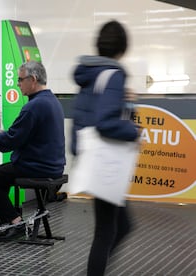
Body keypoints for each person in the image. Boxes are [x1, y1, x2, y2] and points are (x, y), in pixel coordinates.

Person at [0, 61, 66, 242]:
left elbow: (10, 141)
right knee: (2, 173)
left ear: (33, 80)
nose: (18, 84)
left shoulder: (34, 107)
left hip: (38, 167)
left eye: (20, 79)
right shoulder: (51, 101)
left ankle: (16, 223)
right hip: (52, 165)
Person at [71, 20, 140, 276]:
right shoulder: (114, 74)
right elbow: (105, 122)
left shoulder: (90, 72)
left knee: (122, 226)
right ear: (122, 48)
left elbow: (87, 114)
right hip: (107, 162)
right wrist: (133, 132)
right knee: (107, 231)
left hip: (96, 159)